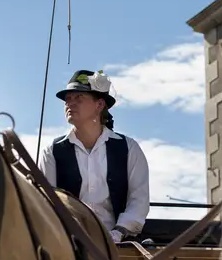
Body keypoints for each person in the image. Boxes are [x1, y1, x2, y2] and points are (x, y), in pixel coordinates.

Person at [38, 69, 150, 244]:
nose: (70, 104)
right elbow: (47, 202)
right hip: (68, 246)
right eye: (68, 99)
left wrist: (118, 233)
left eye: (78, 98)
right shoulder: (52, 151)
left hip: (121, 244)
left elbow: (139, 201)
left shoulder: (129, 148)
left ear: (99, 105)